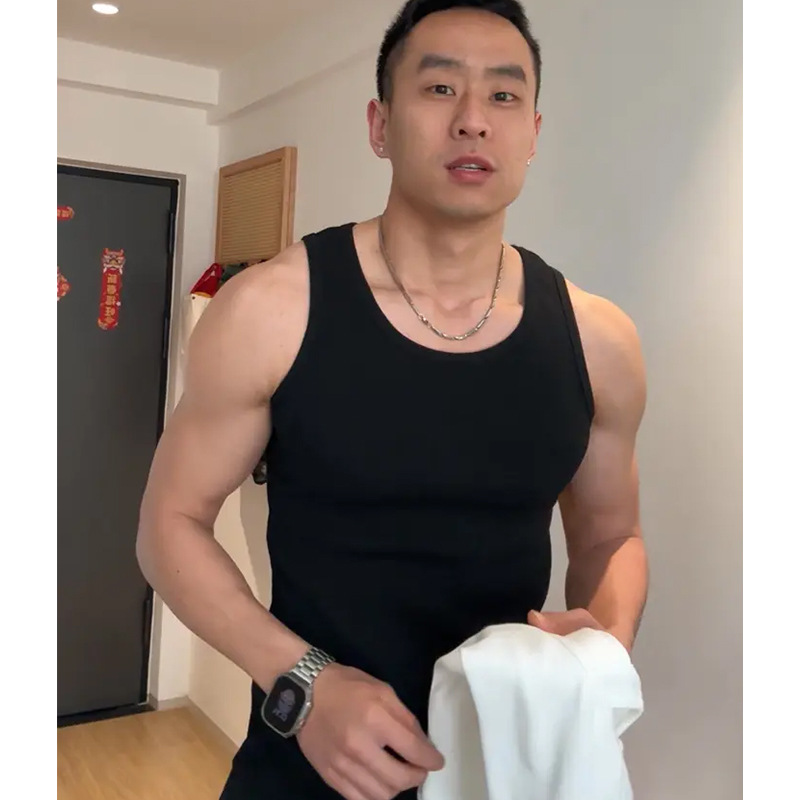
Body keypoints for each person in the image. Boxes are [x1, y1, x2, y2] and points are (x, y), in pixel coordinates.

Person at [136, 1, 650, 799]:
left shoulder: (598, 339)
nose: (473, 119)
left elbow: (611, 537)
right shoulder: (272, 310)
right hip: (306, 773)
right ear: (380, 126)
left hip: (501, 769)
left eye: (504, 95)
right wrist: (304, 682)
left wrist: (604, 649)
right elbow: (168, 525)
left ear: (533, 132)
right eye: (440, 88)